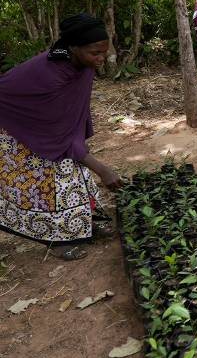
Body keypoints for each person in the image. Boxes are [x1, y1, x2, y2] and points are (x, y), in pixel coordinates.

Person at [0, 14, 123, 261]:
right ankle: (56, 240)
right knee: (49, 183)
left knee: (73, 174)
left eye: (104, 51)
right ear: (73, 48)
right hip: (15, 124)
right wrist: (103, 170)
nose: (101, 58)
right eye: (94, 52)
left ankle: (83, 224)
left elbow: (70, 119)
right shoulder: (50, 77)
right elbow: (58, 137)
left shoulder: (83, 65)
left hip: (50, 129)